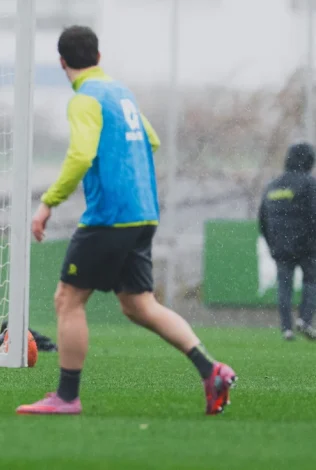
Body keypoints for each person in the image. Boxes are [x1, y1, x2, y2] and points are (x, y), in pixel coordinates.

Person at [16, 26, 236, 416]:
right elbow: (150, 140)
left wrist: (49, 203)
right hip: (143, 212)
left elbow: (81, 155)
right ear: (99, 57)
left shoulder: (84, 99)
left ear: (63, 63)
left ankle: (66, 397)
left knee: (68, 299)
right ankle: (211, 369)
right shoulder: (120, 93)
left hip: (110, 216)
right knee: (138, 304)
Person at [258, 142, 316, 341]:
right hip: (308, 246)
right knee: (312, 280)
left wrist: (273, 243)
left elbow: (263, 219)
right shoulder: (310, 183)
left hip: (280, 246)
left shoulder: (273, 185)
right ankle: (305, 320)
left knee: (284, 286)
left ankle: (286, 329)